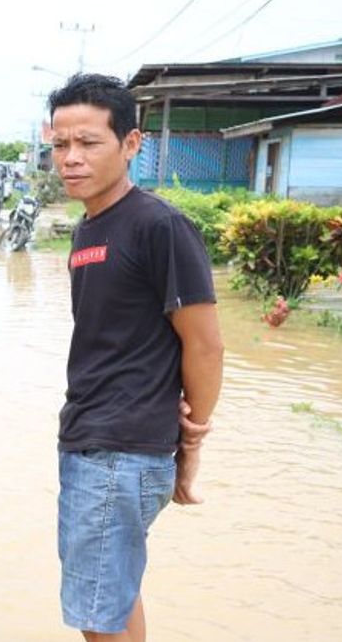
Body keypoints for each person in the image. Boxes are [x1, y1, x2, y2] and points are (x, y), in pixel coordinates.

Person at [49, 73, 224, 642]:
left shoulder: (159, 226)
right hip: (98, 441)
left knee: (99, 616)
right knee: (112, 598)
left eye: (89, 143)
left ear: (131, 144)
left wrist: (190, 438)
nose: (71, 158)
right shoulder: (89, 227)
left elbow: (205, 342)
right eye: (60, 145)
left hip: (119, 452)